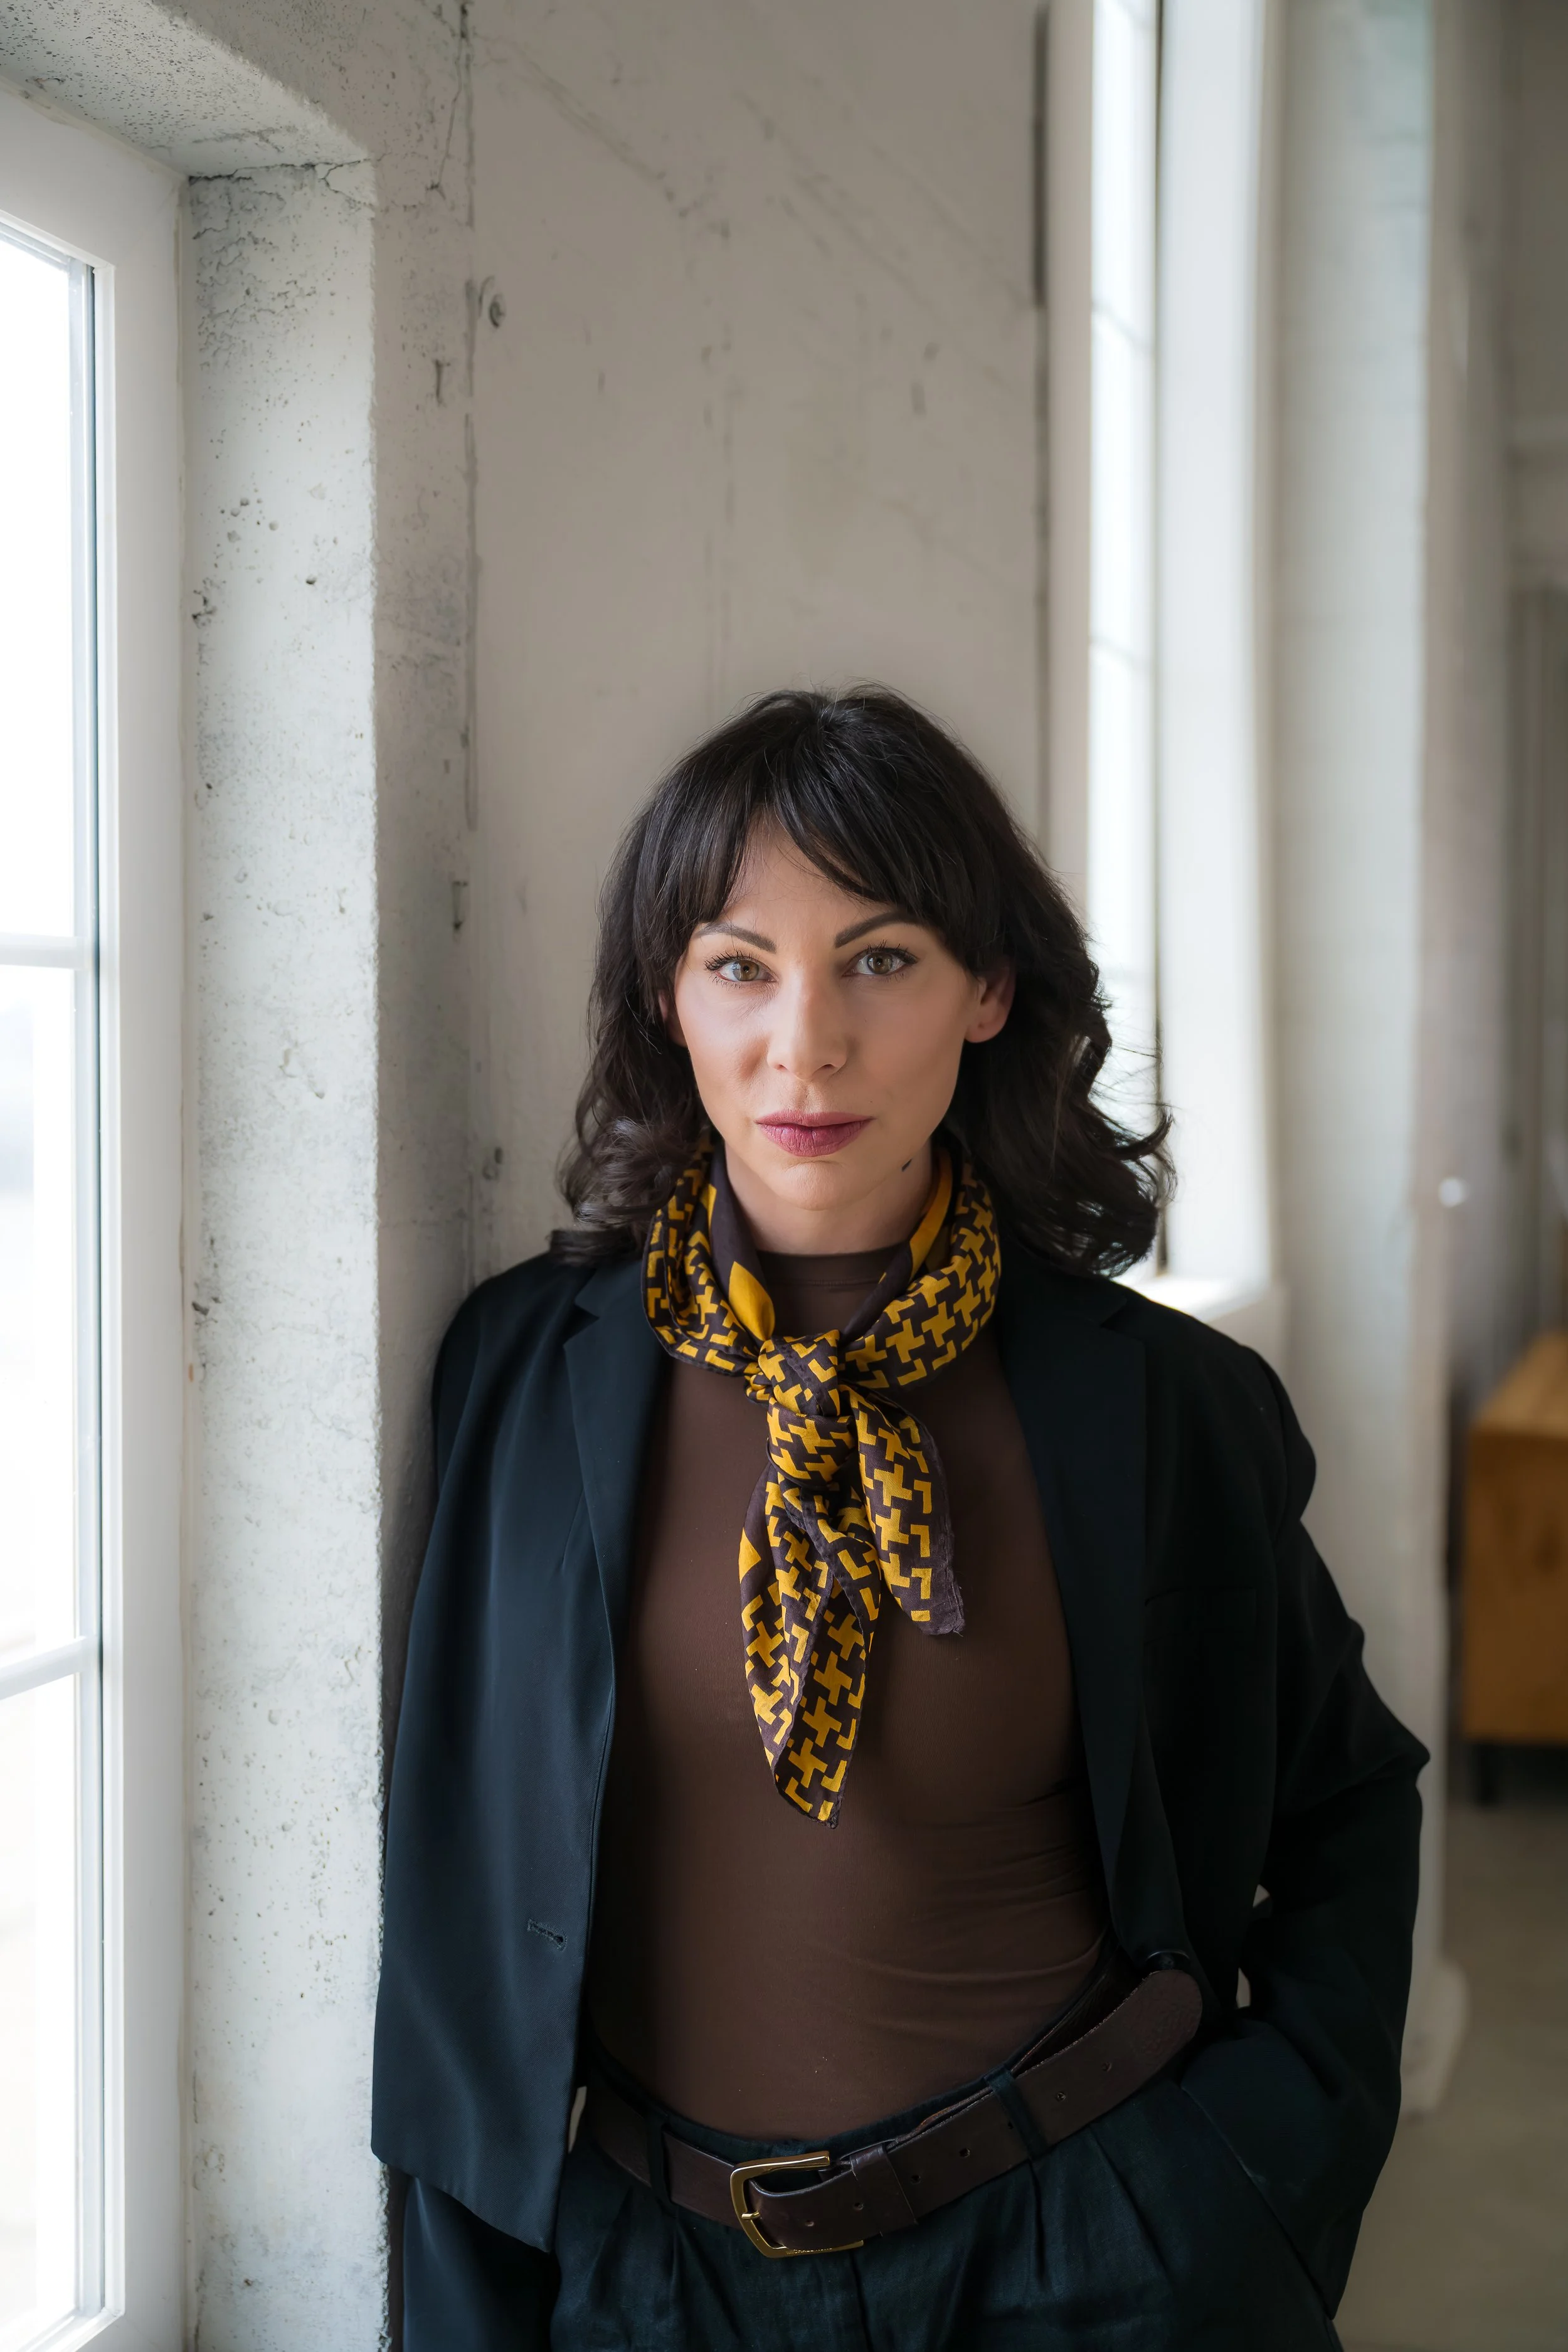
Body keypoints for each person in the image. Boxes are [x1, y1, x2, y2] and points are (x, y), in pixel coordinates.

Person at [373, 687, 1425, 2351]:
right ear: (671, 995)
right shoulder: (519, 1373)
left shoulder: (1157, 1406)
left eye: (879, 959)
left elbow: (1345, 1794)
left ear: (988, 990)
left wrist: (1264, 2164)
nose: (805, 1045)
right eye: (740, 964)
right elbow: (453, 1879)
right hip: (656, 2275)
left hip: (1092, 2250)